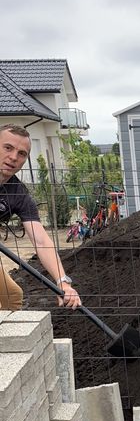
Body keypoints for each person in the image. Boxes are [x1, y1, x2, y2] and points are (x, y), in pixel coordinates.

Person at [0, 125, 81, 311]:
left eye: (21, 153)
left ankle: (11, 340)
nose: (13, 157)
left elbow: (41, 240)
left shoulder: (18, 193)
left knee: (12, 296)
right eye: (8, 148)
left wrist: (62, 282)